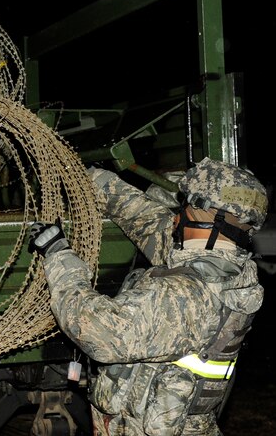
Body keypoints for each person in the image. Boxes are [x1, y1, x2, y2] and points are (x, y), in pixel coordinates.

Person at [28, 157, 269, 436]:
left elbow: (95, 329)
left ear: (212, 220)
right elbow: (142, 217)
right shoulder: (234, 269)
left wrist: (58, 253)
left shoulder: (185, 295)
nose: (177, 217)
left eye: (187, 207)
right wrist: (85, 177)